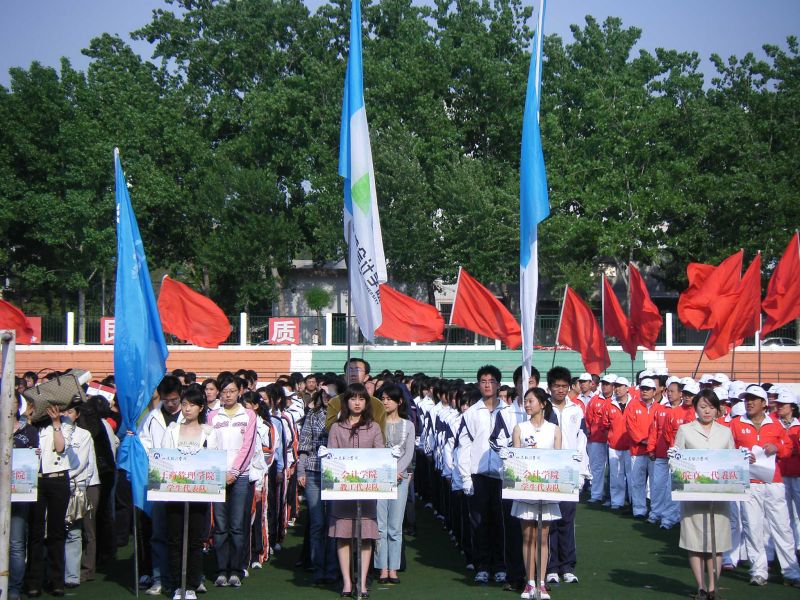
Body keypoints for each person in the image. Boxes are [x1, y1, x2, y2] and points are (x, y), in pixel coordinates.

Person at [730, 384, 800, 587]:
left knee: (782, 527)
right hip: (748, 482)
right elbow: (727, 448)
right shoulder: (736, 424)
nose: (749, 402)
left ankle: (791, 571)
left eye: (753, 399)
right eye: (746, 399)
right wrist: (740, 455)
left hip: (773, 482)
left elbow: (788, 448)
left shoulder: (776, 424)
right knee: (753, 527)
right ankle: (758, 571)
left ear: (763, 403)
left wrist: (777, 447)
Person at [673, 389, 735, 600]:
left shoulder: (725, 432)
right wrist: (674, 458)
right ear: (695, 408)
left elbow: (732, 460)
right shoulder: (685, 430)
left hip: (719, 495)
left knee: (717, 542)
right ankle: (700, 586)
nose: (707, 411)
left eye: (711, 407)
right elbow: (676, 460)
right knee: (695, 541)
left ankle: (713, 587)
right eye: (703, 406)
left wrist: (743, 459)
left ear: (717, 409)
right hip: (693, 494)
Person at [162, 385, 220, 600]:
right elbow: (164, 458)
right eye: (185, 404)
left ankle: (192, 584)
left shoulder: (209, 433)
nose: (187, 409)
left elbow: (215, 462)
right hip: (174, 491)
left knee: (195, 540)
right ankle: (177, 584)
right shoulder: (172, 430)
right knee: (175, 539)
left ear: (201, 407)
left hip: (200, 492)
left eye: (192, 405)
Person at [327, 384, 385, 598]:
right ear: (347, 402)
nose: (357, 403)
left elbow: (380, 454)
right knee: (343, 536)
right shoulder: (336, 427)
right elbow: (332, 456)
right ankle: (347, 582)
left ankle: (362, 582)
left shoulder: (374, 427)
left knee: (366, 536)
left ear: (366, 402)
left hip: (367, 489)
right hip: (343, 490)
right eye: (353, 398)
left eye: (361, 398)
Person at [456, 365, 511, 585]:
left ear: (498, 385)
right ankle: (482, 566)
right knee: (479, 522)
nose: (487, 385)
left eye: (491, 381)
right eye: (483, 381)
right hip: (478, 476)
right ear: (478, 385)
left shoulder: (510, 412)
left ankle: (500, 565)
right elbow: (463, 446)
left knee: (501, 522)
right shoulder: (471, 413)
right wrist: (465, 477)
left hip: (502, 477)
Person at [511, 387, 562, 600]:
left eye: (531, 401)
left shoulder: (554, 429)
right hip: (525, 489)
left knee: (542, 537)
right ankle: (529, 582)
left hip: (546, 490)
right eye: (525, 401)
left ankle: (541, 582)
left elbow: (559, 459)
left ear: (543, 403)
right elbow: (515, 459)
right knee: (528, 536)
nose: (527, 405)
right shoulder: (520, 428)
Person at [209, 374, 258, 588]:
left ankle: (236, 570)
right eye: (224, 391)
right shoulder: (212, 416)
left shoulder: (249, 415)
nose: (228, 395)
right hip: (218, 476)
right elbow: (210, 446)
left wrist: (235, 472)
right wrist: (220, 472)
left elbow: (248, 446)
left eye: (232, 391)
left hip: (240, 477)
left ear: (240, 392)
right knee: (220, 526)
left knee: (237, 525)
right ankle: (221, 569)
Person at [544, 366, 587, 586]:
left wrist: (582, 472)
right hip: (549, 471)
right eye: (556, 386)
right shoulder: (543, 409)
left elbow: (582, 442)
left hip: (570, 470)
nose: (560, 390)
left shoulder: (576, 410)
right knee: (550, 520)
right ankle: (551, 567)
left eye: (564, 386)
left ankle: (568, 566)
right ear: (549, 387)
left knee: (567, 520)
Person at [25, 404, 70, 597]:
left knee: (56, 531)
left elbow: (60, 447)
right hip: (35, 479)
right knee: (35, 531)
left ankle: (56, 580)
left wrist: (56, 422)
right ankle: (33, 581)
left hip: (58, 478)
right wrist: (28, 420)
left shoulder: (64, 423)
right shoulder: (30, 426)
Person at [374, 384, 415, 584]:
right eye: (383, 398)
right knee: (380, 525)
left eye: (389, 398)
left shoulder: (408, 425)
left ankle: (394, 568)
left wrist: (398, 471)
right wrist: (389, 472)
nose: (386, 402)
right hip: (380, 477)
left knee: (395, 526)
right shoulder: (376, 424)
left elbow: (409, 452)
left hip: (401, 478)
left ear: (399, 402)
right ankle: (382, 567)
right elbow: (375, 450)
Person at [297, 388, 338, 584]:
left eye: (331, 394)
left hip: (337, 470)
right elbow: (304, 444)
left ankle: (333, 567)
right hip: (314, 469)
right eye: (324, 394)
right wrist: (301, 471)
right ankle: (318, 567)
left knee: (334, 522)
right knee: (317, 522)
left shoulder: (344, 415)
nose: (327, 397)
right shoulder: (313, 414)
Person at [10, 398, 39, 600]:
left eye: (13, 400)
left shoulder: (28, 431)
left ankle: (14, 587)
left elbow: (32, 460)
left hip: (19, 493)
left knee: (16, 543)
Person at [775, 389, 800, 551]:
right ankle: (789, 546)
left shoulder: (798, 425)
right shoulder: (774, 424)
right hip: (779, 474)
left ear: (792, 407)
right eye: (779, 404)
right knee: (784, 513)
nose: (780, 407)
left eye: (783, 404)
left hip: (797, 473)